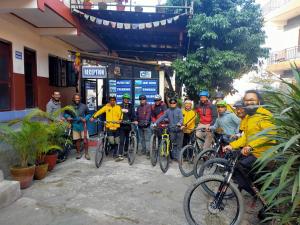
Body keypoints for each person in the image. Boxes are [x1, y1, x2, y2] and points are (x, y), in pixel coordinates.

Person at [224, 90, 275, 196]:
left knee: (240, 168)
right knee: (238, 169)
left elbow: (269, 135)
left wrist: (250, 146)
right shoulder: (248, 117)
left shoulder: (265, 115)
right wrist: (231, 145)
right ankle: (258, 194)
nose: (248, 102)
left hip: (264, 155)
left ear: (259, 101)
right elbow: (245, 137)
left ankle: (262, 197)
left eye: (252, 100)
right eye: (246, 100)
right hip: (253, 153)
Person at [90, 96, 123, 160]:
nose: (112, 101)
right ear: (109, 101)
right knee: (111, 141)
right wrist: (93, 117)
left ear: (115, 101)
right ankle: (111, 148)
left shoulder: (118, 107)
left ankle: (115, 153)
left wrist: (120, 119)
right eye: (111, 100)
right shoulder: (106, 107)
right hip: (109, 126)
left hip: (117, 127)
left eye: (113, 100)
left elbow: (121, 115)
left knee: (116, 141)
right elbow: (99, 111)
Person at [64, 93, 91, 160]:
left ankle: (86, 153)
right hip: (75, 125)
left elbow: (88, 114)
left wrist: (86, 118)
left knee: (85, 140)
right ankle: (78, 153)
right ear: (73, 99)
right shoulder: (69, 107)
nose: (77, 99)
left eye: (78, 98)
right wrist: (68, 117)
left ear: (80, 98)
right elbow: (65, 113)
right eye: (76, 98)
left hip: (83, 125)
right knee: (77, 140)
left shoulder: (84, 106)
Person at [118, 93, 135, 161]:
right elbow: (117, 114)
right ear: (123, 99)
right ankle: (120, 154)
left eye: (128, 99)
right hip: (121, 125)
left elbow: (133, 114)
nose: (126, 100)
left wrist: (135, 120)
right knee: (121, 140)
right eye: (125, 99)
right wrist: (118, 120)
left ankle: (125, 152)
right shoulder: (119, 106)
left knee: (127, 140)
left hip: (128, 125)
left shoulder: (131, 106)